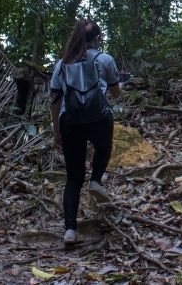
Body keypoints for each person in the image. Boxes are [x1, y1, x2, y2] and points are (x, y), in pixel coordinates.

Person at [49, 19, 123, 246]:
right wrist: (118, 88)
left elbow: (54, 100)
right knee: (104, 146)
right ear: (97, 38)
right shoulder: (105, 59)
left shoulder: (62, 64)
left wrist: (56, 132)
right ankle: (96, 180)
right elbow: (115, 94)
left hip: (70, 122)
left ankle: (70, 231)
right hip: (98, 119)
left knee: (73, 178)